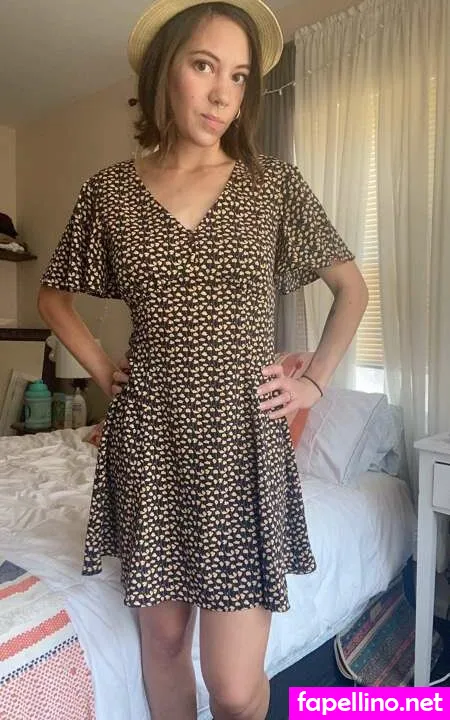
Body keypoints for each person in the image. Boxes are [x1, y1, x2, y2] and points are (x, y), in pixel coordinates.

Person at [37, 1, 368, 718]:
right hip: (148, 444)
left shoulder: (273, 185)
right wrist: (104, 370)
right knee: (162, 644)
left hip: (240, 449)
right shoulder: (109, 192)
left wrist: (314, 381)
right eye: (204, 66)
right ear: (166, 73)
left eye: (240, 76)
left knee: (235, 687)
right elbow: (53, 298)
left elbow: (352, 288)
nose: (223, 93)